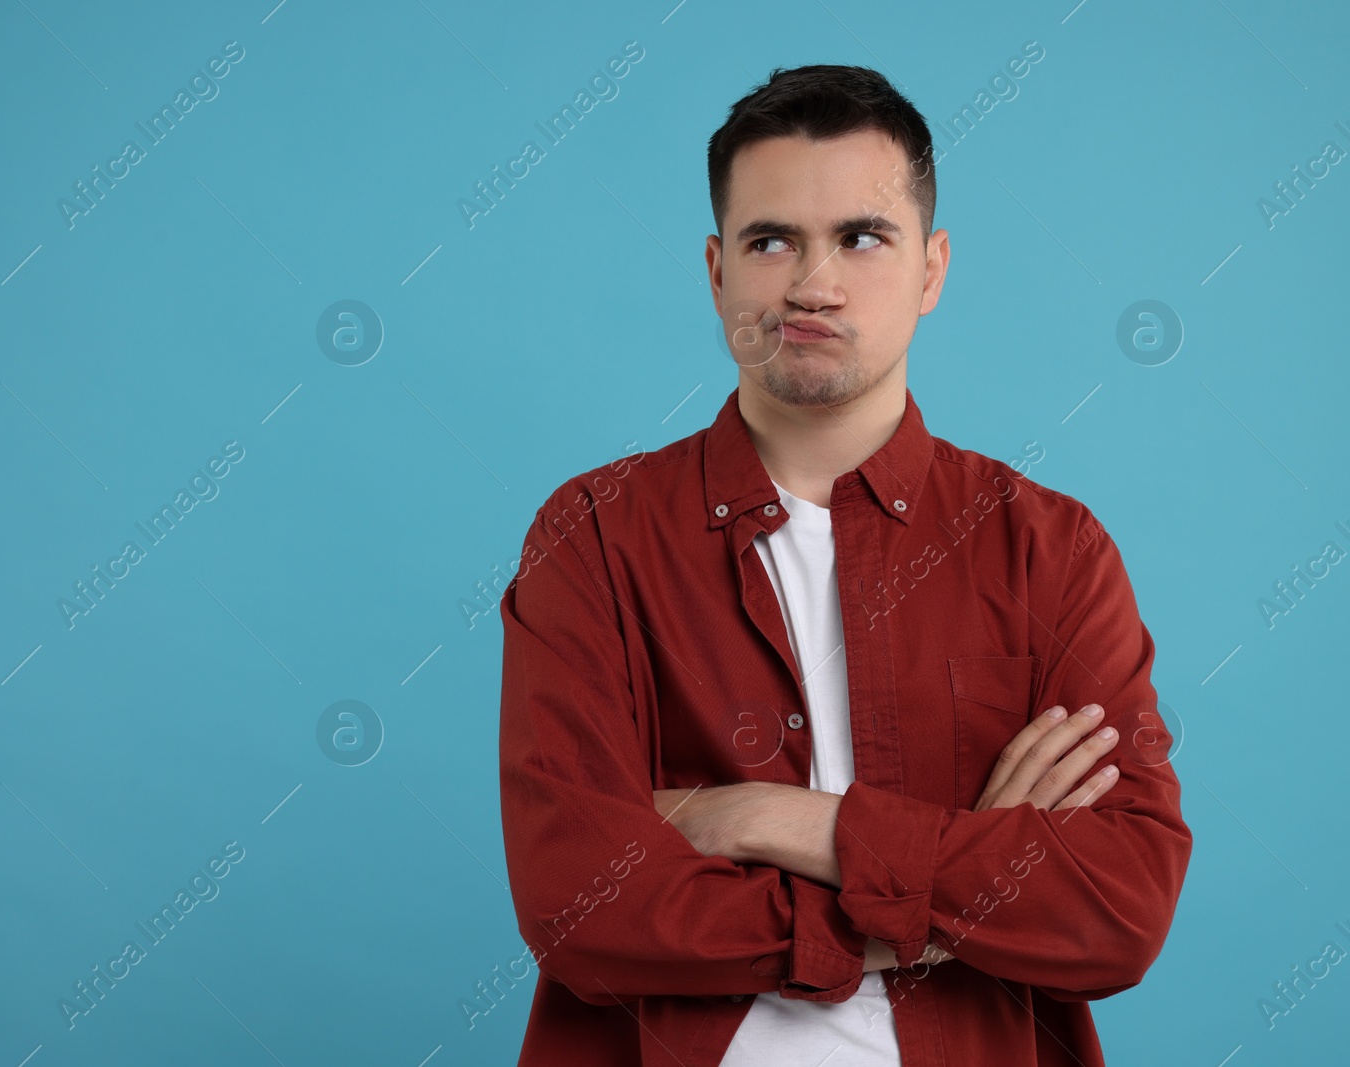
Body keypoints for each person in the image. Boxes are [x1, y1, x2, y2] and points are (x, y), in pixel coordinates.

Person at [497, 64, 1192, 1066]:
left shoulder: (1049, 551)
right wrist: (949, 881)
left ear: (930, 268)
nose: (812, 283)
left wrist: (765, 817)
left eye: (861, 237)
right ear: (716, 271)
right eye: (771, 238)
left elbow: (1117, 906)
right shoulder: (594, 536)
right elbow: (577, 903)